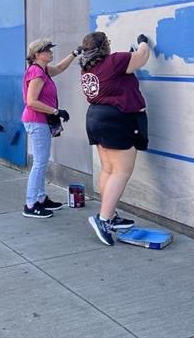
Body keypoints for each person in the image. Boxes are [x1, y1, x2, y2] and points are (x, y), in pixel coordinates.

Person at [79, 31, 150, 246]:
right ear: (105, 46)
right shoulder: (114, 61)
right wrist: (143, 43)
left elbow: (116, 79)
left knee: (109, 170)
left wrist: (127, 59)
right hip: (117, 120)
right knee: (121, 171)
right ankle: (103, 220)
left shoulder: (87, 68)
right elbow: (142, 57)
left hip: (96, 118)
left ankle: (109, 214)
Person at [21, 39, 82, 219]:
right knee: (40, 163)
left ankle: (41, 198)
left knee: (42, 161)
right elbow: (31, 101)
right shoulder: (36, 72)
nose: (50, 52)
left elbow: (60, 68)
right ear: (37, 54)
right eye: (47, 50)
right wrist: (56, 111)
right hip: (37, 120)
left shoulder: (43, 70)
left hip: (41, 121)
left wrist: (75, 53)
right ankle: (30, 204)